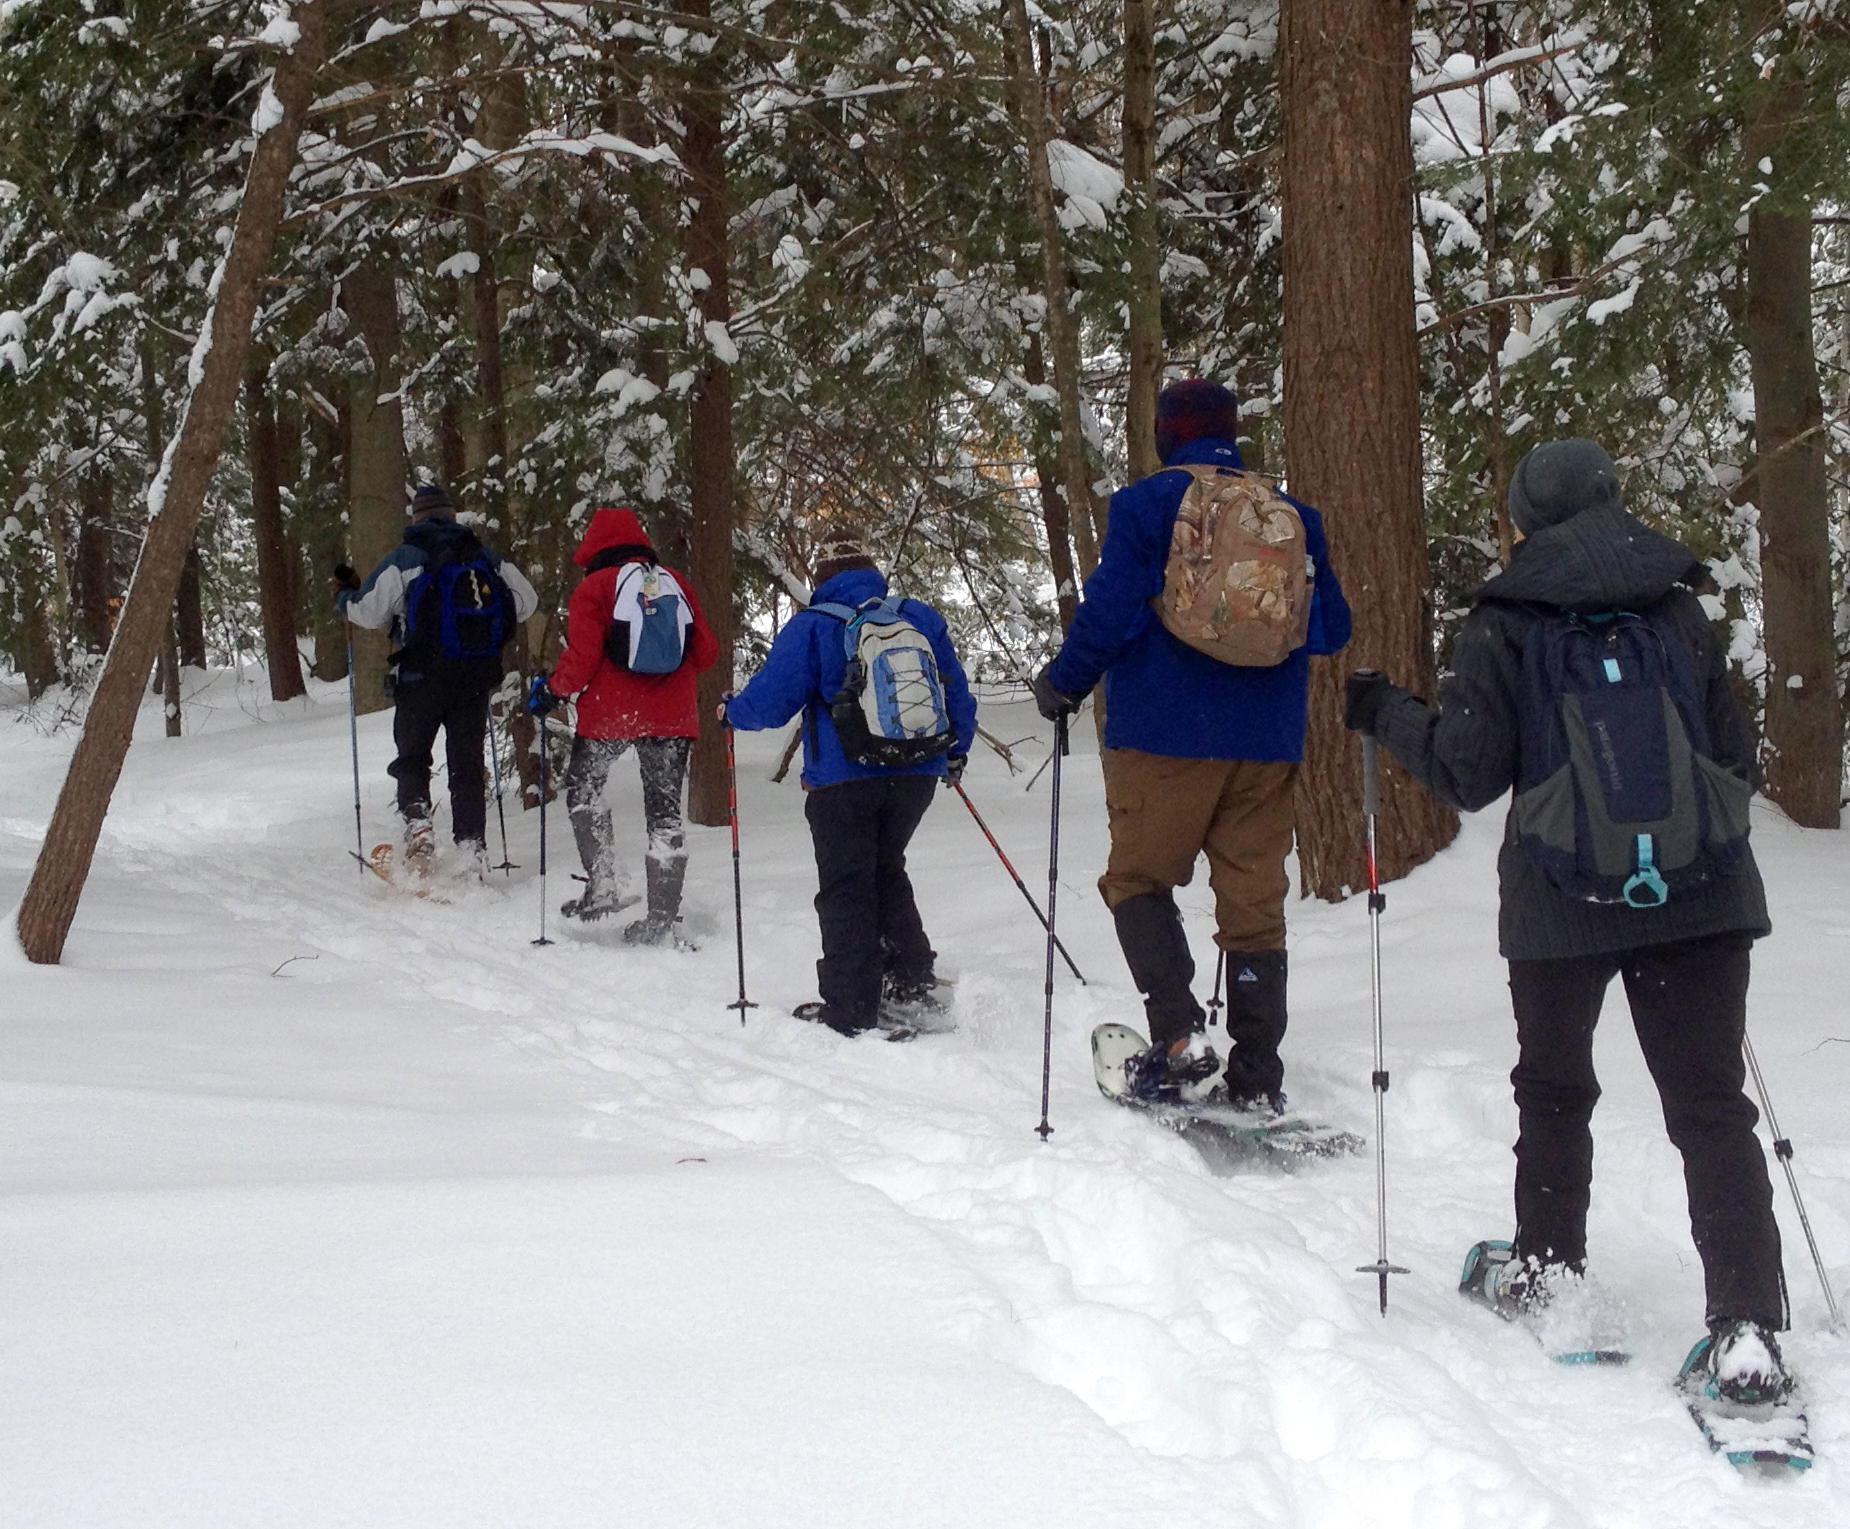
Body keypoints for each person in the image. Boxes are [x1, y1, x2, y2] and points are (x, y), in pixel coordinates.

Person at [1341, 436, 1794, 1407]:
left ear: (1526, 516)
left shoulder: (1504, 619)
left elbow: (1467, 774)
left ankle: (1553, 1273)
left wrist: (1384, 714)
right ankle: (1747, 1325)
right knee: (1711, 1107)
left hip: (1557, 902)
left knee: (1554, 1091)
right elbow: (1736, 763)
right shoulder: (1678, 607)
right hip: (1701, 896)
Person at [1028, 378, 1350, 1112]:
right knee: (1253, 907)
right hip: (1268, 740)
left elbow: (1110, 612)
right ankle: (1259, 1074)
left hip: (1165, 733)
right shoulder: (1293, 516)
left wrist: (1064, 682)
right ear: (1232, 434)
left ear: (1165, 434)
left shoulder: (1148, 505)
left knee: (1139, 880)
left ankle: (1178, 1039)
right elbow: (1332, 628)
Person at [721, 535, 978, 1037]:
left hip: (844, 780)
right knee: (887, 869)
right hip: (916, 774)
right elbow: (955, 692)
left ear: (822, 580)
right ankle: (907, 979)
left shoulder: (815, 625)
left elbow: (771, 703)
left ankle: (851, 1006)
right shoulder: (918, 618)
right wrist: (955, 752)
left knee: (846, 887)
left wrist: (729, 712)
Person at [538, 503, 720, 944]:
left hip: (610, 715)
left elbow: (581, 661)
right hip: (673, 718)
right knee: (665, 816)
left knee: (584, 789)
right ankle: (660, 920)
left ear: (595, 547)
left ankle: (603, 888)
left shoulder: (594, 589)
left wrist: (553, 690)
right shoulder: (674, 583)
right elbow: (706, 654)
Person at [340, 482, 538, 874]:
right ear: (453, 515)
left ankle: (419, 829)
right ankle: (472, 848)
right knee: (466, 764)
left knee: (413, 757)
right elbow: (527, 601)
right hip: (474, 677)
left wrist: (344, 597)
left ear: (416, 518)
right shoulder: (484, 556)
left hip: (420, 676)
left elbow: (367, 611)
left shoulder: (406, 558)